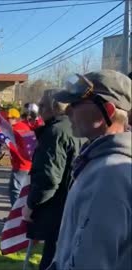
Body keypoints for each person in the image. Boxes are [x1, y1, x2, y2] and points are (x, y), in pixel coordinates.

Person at [48, 70, 131, 270]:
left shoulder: (109, 174)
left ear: (108, 112)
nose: (67, 111)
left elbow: (90, 262)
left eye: (75, 104)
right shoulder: (99, 162)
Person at [21, 89, 83, 270]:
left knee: (52, 259)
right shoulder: (75, 127)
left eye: (42, 105)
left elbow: (48, 178)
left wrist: (31, 205)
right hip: (71, 204)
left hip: (57, 207)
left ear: (55, 108)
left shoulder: (55, 132)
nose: (38, 109)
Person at [6, 108, 33, 206]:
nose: (8, 120)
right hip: (28, 163)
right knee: (23, 191)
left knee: (15, 190)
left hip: (21, 164)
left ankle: (16, 216)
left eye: (10, 118)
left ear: (16, 118)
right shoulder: (25, 127)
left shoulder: (15, 129)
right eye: (7, 118)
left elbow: (11, 144)